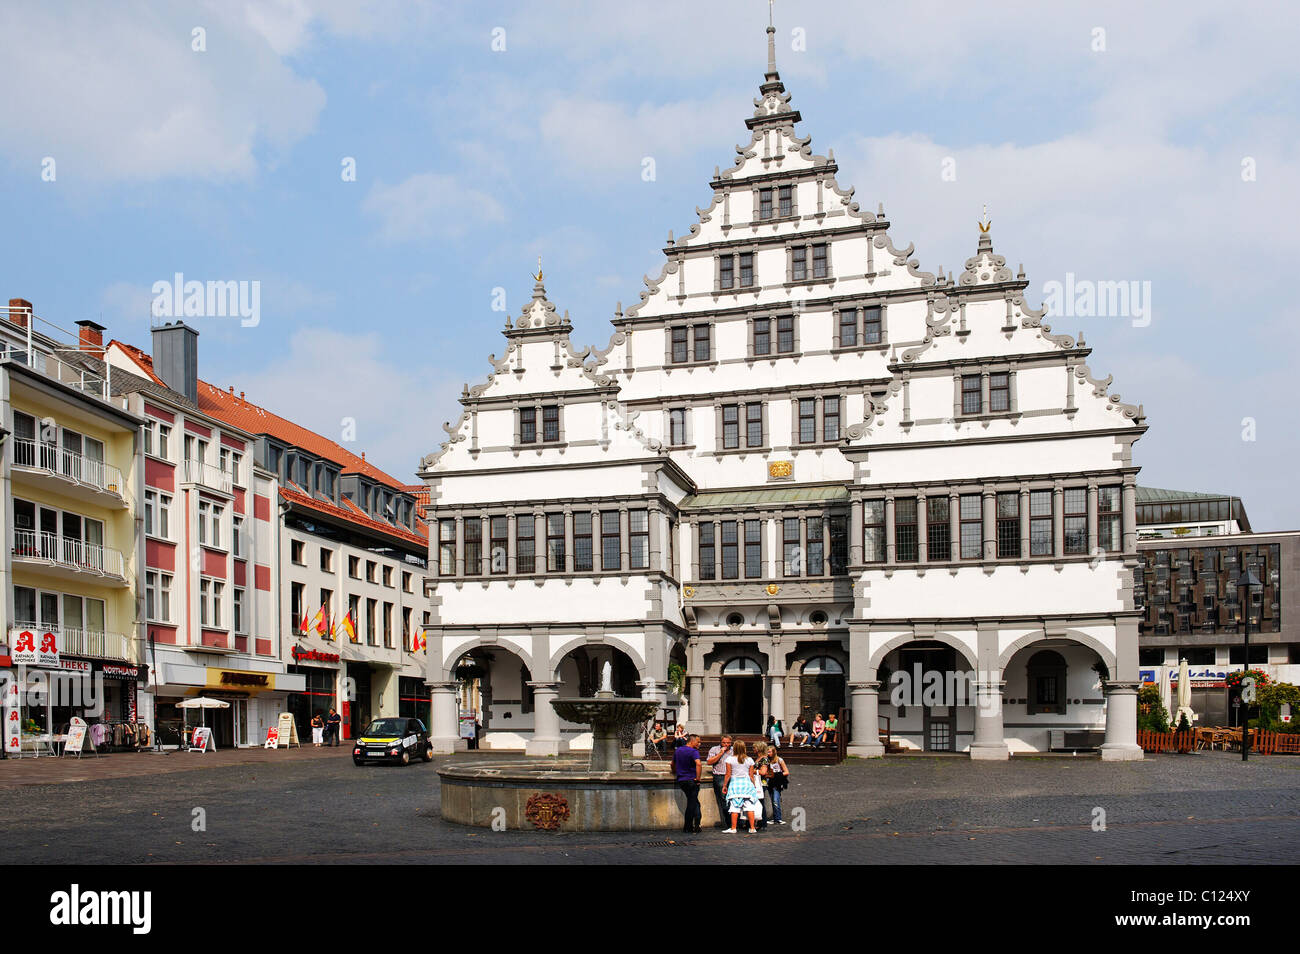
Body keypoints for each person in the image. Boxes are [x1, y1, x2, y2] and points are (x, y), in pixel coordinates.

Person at [722, 740, 759, 834]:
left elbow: (728, 774)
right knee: (749, 806)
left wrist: (725, 785)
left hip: (735, 785)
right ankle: (752, 828)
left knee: (734, 806)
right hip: (747, 784)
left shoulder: (729, 759)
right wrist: (754, 785)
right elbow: (751, 775)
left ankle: (733, 828)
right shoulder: (749, 760)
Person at [673, 733, 704, 833]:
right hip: (691, 780)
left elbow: (672, 764)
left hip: (682, 780)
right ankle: (689, 826)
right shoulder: (693, 751)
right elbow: (698, 764)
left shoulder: (678, 750)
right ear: (692, 741)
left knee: (694, 802)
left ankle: (695, 825)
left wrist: (675, 772)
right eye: (698, 742)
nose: (700, 744)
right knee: (692, 803)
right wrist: (698, 778)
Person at [706, 735, 733, 828]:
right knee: (724, 800)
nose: (726, 744)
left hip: (733, 777)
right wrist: (720, 753)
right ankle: (729, 823)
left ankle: (737, 823)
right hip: (720, 776)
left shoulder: (734, 750)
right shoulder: (714, 749)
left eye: (728, 743)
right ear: (720, 742)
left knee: (735, 800)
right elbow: (709, 762)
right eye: (724, 743)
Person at [766, 747, 789, 824]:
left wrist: (776, 775)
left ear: (773, 752)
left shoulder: (779, 760)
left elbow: (786, 772)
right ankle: (775, 818)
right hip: (769, 781)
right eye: (767, 752)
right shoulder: (766, 760)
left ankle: (778, 818)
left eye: (769, 752)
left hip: (777, 781)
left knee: (776, 799)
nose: (768, 753)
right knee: (772, 799)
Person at [752, 740, 770, 830]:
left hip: (761, 783)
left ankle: (762, 822)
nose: (753, 749)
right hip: (756, 782)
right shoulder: (758, 758)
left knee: (760, 803)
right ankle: (757, 821)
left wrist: (752, 771)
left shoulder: (764, 759)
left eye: (754, 747)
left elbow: (763, 772)